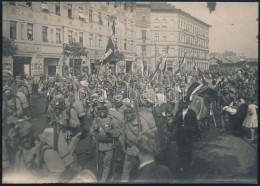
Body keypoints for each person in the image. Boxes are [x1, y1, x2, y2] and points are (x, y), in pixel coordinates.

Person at [90, 103, 122, 182]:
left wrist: (110, 131)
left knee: (106, 162)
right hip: (99, 145)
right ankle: (103, 175)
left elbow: (118, 132)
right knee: (100, 162)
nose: (102, 112)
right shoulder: (96, 120)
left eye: (103, 110)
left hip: (109, 145)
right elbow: (91, 131)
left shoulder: (111, 119)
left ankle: (103, 180)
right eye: (100, 111)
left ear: (106, 111)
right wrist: (94, 129)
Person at [172, 98, 198, 172]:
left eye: (185, 103)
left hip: (188, 134)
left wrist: (194, 133)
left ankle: (189, 162)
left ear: (188, 104)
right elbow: (174, 121)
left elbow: (195, 124)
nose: (183, 105)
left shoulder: (192, 113)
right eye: (182, 103)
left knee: (188, 149)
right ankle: (182, 164)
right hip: (180, 134)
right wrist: (171, 128)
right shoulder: (178, 112)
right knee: (180, 149)